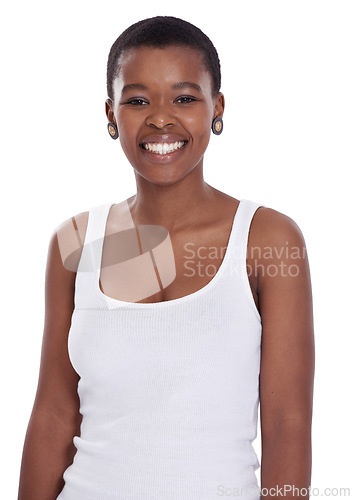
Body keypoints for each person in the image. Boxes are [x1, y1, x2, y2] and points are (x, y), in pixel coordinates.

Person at [17, 15, 315, 500]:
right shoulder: (74, 243)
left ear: (216, 107)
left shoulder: (267, 239)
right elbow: (53, 413)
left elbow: (288, 421)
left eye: (184, 98)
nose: (160, 118)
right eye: (137, 100)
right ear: (111, 114)